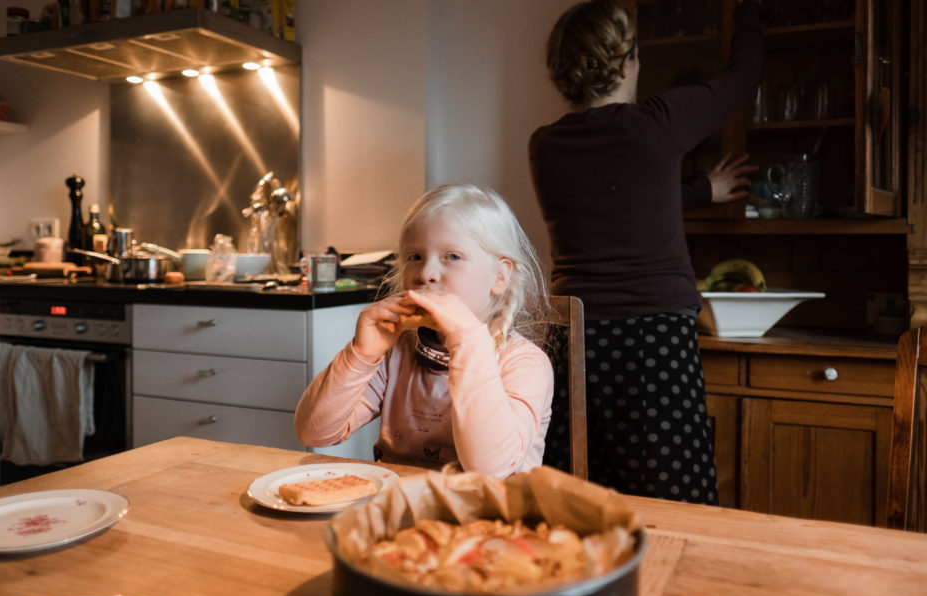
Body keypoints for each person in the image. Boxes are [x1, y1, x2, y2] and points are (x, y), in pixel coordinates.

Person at [528, 0, 764, 504]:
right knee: (671, 496)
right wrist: (748, 16)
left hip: (574, 340)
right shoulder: (659, 121)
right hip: (654, 333)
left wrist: (700, 189)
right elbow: (743, 79)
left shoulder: (544, 146)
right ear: (629, 59)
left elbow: (618, 199)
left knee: (577, 499)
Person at [295, 183, 554, 477]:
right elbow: (314, 432)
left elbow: (490, 471)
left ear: (500, 276)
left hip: (485, 518)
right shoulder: (397, 353)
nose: (425, 274)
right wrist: (361, 353)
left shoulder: (524, 364)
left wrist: (467, 338)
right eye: (414, 257)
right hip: (398, 509)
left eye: (452, 257)